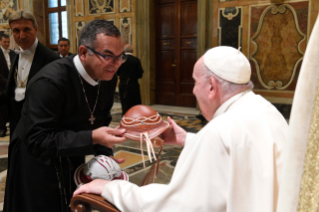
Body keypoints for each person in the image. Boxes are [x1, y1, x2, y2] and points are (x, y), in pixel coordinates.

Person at [74, 46, 288, 212]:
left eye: (195, 82)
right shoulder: (266, 110)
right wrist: (188, 139)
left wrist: (111, 188)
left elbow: (176, 206)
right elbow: (244, 154)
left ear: (211, 87)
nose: (194, 91)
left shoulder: (218, 131)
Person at [4, 19, 127, 212]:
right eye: (108, 56)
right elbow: (38, 140)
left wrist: (105, 158)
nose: (116, 64)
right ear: (83, 52)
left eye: (120, 56)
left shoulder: (107, 76)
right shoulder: (50, 82)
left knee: (72, 202)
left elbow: (100, 120)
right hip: (35, 159)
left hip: (71, 150)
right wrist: (92, 137)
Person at [4, 10, 60, 137]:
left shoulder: (52, 60)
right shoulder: (15, 55)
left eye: (26, 29)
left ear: (36, 29)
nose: (21, 36)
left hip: (40, 126)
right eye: (16, 31)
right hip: (16, 123)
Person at [117, 44, 144, 115]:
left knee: (124, 101)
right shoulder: (136, 60)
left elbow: (117, 72)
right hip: (133, 84)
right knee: (135, 102)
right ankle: (135, 116)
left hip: (123, 83)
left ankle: (125, 117)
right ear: (132, 50)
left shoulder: (120, 60)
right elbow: (140, 74)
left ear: (124, 51)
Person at [0, 34, 15, 136]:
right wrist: (8, 83)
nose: (7, 44)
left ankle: (13, 127)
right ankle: (1, 128)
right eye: (5, 42)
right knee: (2, 108)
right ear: (0, 41)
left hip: (13, 85)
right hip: (1, 85)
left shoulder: (13, 53)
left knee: (13, 106)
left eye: (8, 42)